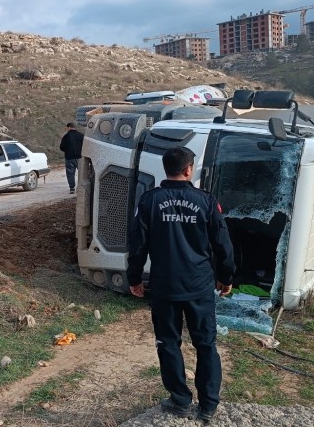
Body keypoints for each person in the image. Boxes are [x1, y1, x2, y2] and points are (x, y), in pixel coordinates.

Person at [127, 146, 235, 424]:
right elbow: (223, 244)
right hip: (199, 286)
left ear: (166, 169)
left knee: (168, 343)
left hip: (165, 287)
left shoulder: (149, 201)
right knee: (206, 344)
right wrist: (227, 277)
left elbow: (137, 244)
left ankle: (180, 400)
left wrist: (134, 278)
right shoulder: (206, 201)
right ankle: (208, 405)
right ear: (189, 169)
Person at [59, 122, 84, 194]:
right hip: (80, 158)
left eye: (66, 128)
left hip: (69, 158)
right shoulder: (81, 135)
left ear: (69, 127)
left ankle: (72, 188)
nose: (66, 129)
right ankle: (82, 187)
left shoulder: (66, 136)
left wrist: (67, 150)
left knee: (70, 174)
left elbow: (62, 147)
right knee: (82, 173)